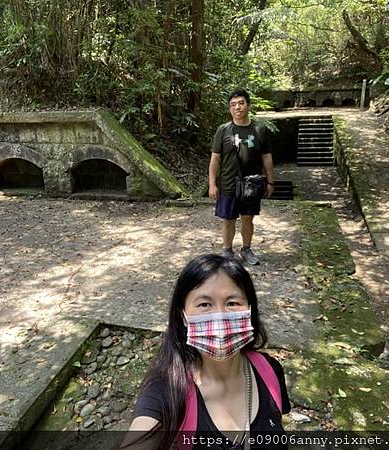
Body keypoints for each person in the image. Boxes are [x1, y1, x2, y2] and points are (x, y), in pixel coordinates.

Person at [124, 254, 290, 450]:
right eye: (204, 305)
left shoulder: (270, 370)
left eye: (232, 303)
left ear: (250, 309)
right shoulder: (167, 390)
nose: (219, 317)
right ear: (183, 316)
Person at [208, 89, 275, 265]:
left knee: (247, 218)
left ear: (248, 105)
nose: (237, 107)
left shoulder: (260, 130)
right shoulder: (223, 130)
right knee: (228, 219)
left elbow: (266, 157)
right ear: (230, 109)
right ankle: (227, 252)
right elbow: (215, 158)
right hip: (228, 183)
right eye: (233, 104)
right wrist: (212, 184)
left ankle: (246, 249)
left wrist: (270, 181)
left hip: (251, 184)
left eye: (241, 103)